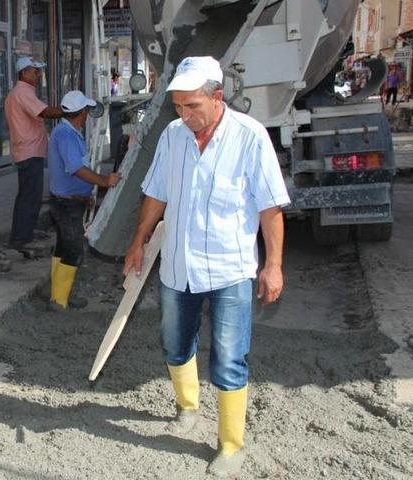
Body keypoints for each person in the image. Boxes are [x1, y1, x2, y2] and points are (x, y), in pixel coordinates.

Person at [122, 56, 289, 477]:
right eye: (178, 106)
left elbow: (270, 207)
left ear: (218, 97)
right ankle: (187, 408)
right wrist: (138, 240)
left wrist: (274, 266)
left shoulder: (250, 137)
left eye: (192, 106)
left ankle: (231, 445)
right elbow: (156, 195)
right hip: (178, 268)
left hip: (230, 270)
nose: (184, 115)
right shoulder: (172, 137)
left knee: (229, 358)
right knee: (175, 345)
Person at [48, 90, 121, 309]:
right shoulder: (66, 135)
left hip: (69, 200)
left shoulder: (67, 132)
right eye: (87, 111)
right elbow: (77, 169)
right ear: (82, 113)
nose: (89, 115)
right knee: (73, 249)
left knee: (63, 247)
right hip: (66, 203)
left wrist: (86, 194)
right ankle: (59, 300)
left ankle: (58, 295)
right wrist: (105, 181)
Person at [5, 56, 63, 250]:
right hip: (28, 152)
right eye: (35, 71)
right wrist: (70, 111)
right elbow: (45, 112)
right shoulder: (22, 92)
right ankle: (21, 238)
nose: (38, 75)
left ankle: (24, 235)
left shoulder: (22, 92)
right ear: (24, 73)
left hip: (29, 151)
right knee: (30, 197)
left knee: (28, 195)